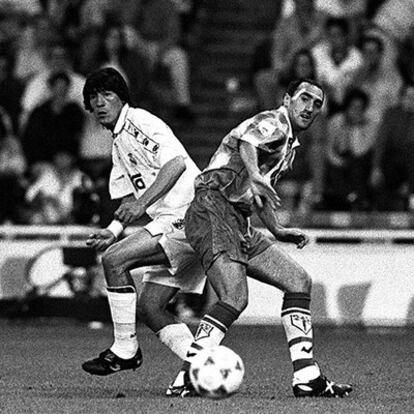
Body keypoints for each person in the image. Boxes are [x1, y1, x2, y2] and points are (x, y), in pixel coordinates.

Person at [172, 78, 353, 398]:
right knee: (235, 297)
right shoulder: (274, 122)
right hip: (212, 208)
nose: (310, 107)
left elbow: (259, 196)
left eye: (317, 104)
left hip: (237, 219)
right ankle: (188, 376)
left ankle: (307, 377)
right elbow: (247, 144)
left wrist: (278, 230)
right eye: (304, 99)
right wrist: (255, 174)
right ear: (287, 99)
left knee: (298, 280)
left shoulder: (289, 148)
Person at [80, 68, 206, 385]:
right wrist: (112, 231)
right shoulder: (118, 143)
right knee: (150, 307)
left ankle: (125, 349)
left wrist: (142, 202)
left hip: (190, 215)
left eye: (107, 94)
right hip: (176, 220)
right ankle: (207, 366)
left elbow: (176, 164)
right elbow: (125, 203)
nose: (100, 102)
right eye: (93, 97)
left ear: (122, 98)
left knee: (114, 260)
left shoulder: (138, 123)